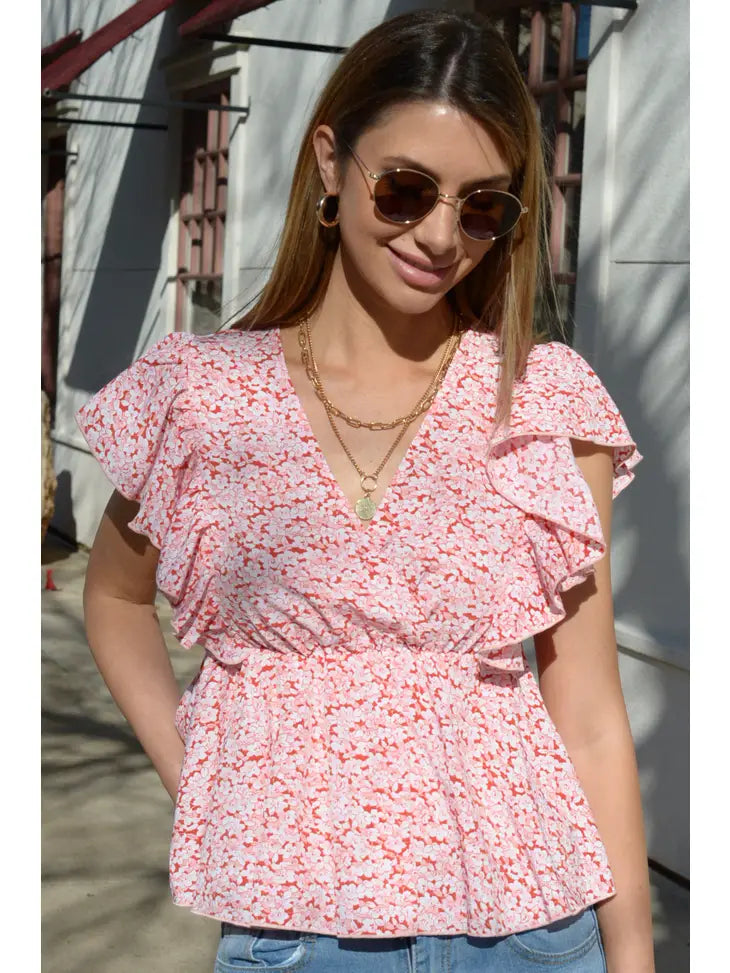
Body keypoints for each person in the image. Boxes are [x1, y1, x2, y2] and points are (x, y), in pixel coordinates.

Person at [76, 9, 655, 973]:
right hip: (299, 933)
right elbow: (114, 598)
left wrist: (634, 956)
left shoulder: (542, 401)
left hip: (533, 928)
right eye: (406, 189)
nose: (439, 234)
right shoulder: (204, 395)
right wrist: (207, 780)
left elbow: (590, 712)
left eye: (481, 207)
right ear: (330, 165)